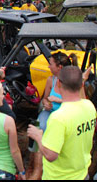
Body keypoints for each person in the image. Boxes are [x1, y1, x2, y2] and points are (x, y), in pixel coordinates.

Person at [27, 66, 96, 180]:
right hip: (82, 174)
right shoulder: (89, 107)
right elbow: (82, 98)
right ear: (81, 85)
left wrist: (38, 137)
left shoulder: (59, 117)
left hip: (60, 176)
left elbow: (51, 155)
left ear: (58, 83)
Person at [28, 52, 78, 180]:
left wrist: (58, 100)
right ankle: (34, 167)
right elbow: (44, 99)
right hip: (50, 112)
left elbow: (78, 102)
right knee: (40, 126)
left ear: (59, 67)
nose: (49, 67)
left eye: (51, 64)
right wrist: (46, 104)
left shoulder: (71, 82)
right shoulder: (51, 79)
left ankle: (38, 170)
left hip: (64, 114)